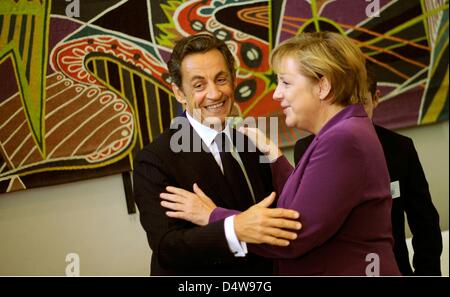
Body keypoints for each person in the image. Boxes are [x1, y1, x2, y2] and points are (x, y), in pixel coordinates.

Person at [160, 32, 401, 275]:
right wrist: (275, 158)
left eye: (286, 83)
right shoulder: (344, 131)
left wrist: (213, 216)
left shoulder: (342, 140)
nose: (276, 94)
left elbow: (292, 235)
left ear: (323, 86)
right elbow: (311, 203)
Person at [133, 33, 301, 276]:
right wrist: (234, 228)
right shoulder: (154, 160)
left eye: (221, 79)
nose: (214, 94)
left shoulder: (252, 141)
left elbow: (280, 218)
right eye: (199, 85)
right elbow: (168, 248)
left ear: (234, 80)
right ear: (179, 93)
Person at [294, 65, 443, 276]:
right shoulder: (307, 149)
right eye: (347, 105)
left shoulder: (400, 148)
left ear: (376, 99)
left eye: (362, 103)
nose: (353, 114)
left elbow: (424, 222)